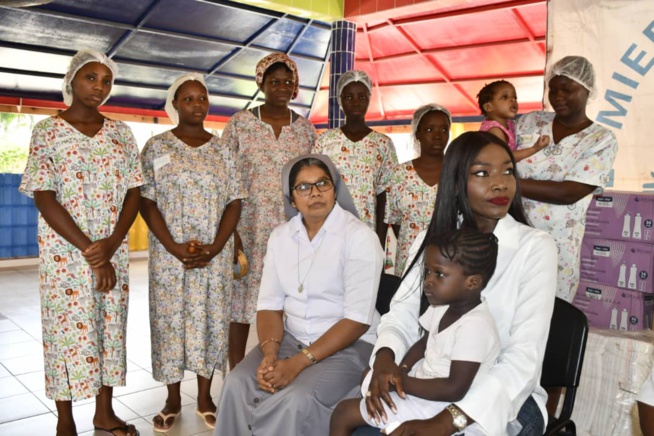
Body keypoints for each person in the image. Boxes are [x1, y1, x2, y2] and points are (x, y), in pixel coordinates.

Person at [363, 131, 558, 436]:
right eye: (482, 173)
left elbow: (522, 359)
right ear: (455, 183)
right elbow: (400, 316)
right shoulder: (434, 241)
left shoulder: (535, 247)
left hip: (502, 400)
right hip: (430, 382)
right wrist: (385, 360)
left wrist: (447, 420)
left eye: (508, 171)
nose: (499, 183)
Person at [19, 49, 142, 436]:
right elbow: (44, 195)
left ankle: (104, 413)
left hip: (112, 249)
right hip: (66, 256)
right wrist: (93, 251)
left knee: (108, 327)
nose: (100, 87)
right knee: (64, 333)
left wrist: (112, 244)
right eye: (91, 78)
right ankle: (65, 420)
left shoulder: (122, 133)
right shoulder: (47, 132)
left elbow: (134, 192)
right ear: (72, 79)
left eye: (106, 80)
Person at [214, 154, 384, 435]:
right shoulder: (281, 236)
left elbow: (357, 320)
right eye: (303, 187)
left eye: (322, 184)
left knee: (296, 399)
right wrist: (270, 353)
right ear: (291, 200)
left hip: (351, 345)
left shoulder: (359, 237)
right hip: (291, 339)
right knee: (236, 382)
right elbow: (269, 304)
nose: (315, 192)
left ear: (335, 189)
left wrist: (296, 364)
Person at [139, 73, 245, 432]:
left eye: (202, 98)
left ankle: (204, 397)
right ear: (175, 104)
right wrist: (173, 246)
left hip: (212, 256)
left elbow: (234, 201)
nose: (197, 104)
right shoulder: (156, 147)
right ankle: (171, 398)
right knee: (170, 324)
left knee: (210, 322)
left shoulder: (223, 150)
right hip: (170, 257)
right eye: (189, 99)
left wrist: (216, 247)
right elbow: (146, 200)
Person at [330, 228, 501, 436]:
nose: (428, 281)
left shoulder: (475, 326)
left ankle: (390, 422)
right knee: (369, 375)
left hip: (440, 405)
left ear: (472, 282)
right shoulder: (443, 306)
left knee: (343, 413)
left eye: (439, 274)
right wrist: (402, 368)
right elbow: (424, 344)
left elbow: (455, 388)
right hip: (423, 381)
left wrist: (401, 383)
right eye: (427, 272)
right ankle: (386, 421)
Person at [222, 53, 316, 369]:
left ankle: (283, 368)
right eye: (274, 81)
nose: (281, 87)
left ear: (295, 87)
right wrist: (229, 232)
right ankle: (235, 374)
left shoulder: (305, 130)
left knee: (289, 301)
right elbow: (226, 178)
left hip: (292, 230)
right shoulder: (240, 124)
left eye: (287, 82)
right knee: (241, 305)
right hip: (247, 229)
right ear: (261, 83)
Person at [516, 56, 618, 304]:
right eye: (553, 89)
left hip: (558, 248)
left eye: (568, 89)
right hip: (514, 238)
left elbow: (569, 192)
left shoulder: (601, 139)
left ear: (587, 90)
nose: (558, 96)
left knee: (547, 319)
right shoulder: (530, 122)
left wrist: (510, 185)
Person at [314, 70, 397, 244]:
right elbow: (316, 190)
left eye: (361, 96)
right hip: (329, 232)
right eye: (349, 97)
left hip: (366, 233)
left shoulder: (382, 144)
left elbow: (385, 196)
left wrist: (379, 241)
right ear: (340, 100)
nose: (356, 102)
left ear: (369, 98)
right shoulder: (325, 142)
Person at [384, 104, 450, 276]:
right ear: (418, 134)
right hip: (408, 261)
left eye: (444, 130)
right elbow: (396, 222)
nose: (437, 136)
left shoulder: (459, 172)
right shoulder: (400, 174)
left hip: (449, 262)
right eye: (429, 129)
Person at [477, 80, 550, 162]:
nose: (513, 100)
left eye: (514, 97)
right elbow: (505, 157)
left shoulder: (508, 123)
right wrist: (535, 148)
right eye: (504, 97)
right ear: (488, 107)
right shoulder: (495, 130)